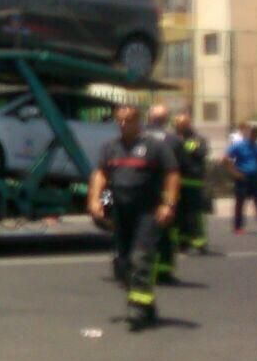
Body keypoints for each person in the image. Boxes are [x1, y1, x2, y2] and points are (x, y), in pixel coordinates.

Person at [88, 105, 180, 330]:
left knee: (141, 258)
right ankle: (146, 304)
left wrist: (168, 204)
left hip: (147, 211)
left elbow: (172, 174)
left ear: (138, 121)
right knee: (122, 263)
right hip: (121, 211)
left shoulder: (155, 146)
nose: (123, 124)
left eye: (128, 120)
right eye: (119, 120)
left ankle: (137, 308)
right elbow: (101, 175)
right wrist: (96, 200)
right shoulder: (110, 147)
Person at [144, 105, 184, 282]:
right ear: (166, 120)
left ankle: (133, 268)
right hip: (164, 192)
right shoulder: (174, 140)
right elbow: (180, 167)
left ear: (148, 118)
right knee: (165, 232)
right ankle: (163, 270)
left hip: (139, 190)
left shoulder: (137, 136)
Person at [224, 122, 257, 235]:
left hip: (255, 178)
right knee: (240, 203)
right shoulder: (238, 145)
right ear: (248, 133)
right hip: (243, 177)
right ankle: (238, 226)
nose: (255, 136)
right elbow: (226, 159)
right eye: (253, 133)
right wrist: (235, 172)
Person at [173, 113, 211, 253]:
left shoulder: (198, 139)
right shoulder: (172, 138)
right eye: (178, 124)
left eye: (183, 124)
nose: (180, 126)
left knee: (195, 213)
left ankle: (199, 240)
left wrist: (184, 145)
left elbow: (201, 152)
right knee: (178, 213)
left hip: (193, 180)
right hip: (176, 181)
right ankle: (181, 241)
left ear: (189, 124)